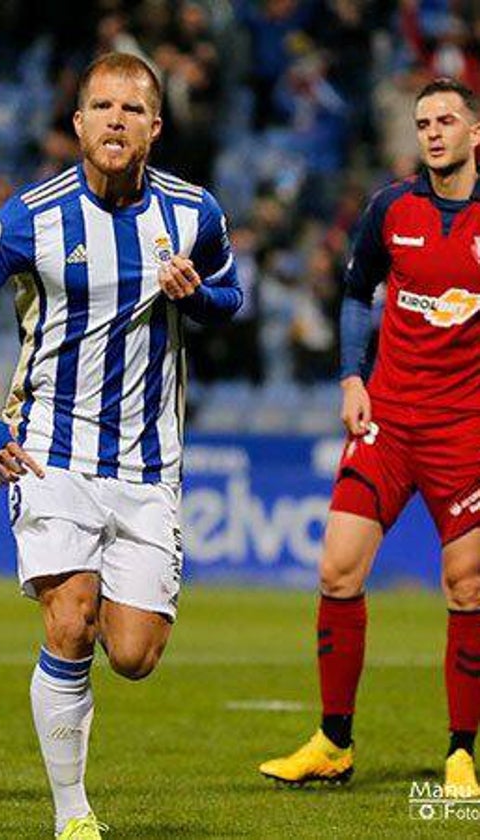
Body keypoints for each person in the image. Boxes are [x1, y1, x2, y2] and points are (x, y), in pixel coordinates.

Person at [0, 52, 241, 839]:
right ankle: (74, 815)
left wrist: (202, 299)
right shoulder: (31, 216)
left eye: (132, 109)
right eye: (102, 107)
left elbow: (233, 297)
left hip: (149, 465)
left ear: (155, 127)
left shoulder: (196, 212)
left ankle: (82, 759)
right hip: (51, 451)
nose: (116, 120)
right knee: (69, 620)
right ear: (78, 124)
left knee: (133, 653)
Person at [259, 76, 480, 798]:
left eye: (448, 119)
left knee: (466, 586)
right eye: (424, 122)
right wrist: (352, 379)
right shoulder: (392, 207)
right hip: (388, 421)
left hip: (465, 432)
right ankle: (334, 741)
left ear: (475, 134)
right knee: (337, 569)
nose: (435, 131)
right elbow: (357, 292)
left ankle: (461, 752)